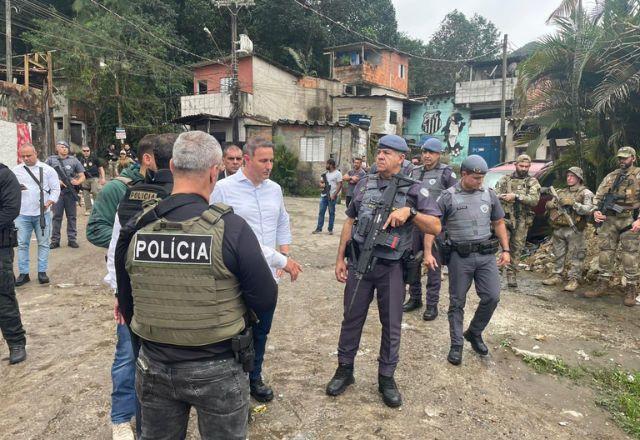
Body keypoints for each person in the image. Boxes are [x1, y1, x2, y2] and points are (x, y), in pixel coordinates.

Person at [115, 130, 277, 439]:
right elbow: (265, 298)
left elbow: (127, 299)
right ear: (215, 172)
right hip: (218, 366)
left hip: (154, 365)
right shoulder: (232, 228)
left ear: (172, 166)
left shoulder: (138, 226)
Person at [325, 134, 441, 408]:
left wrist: (410, 214)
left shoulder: (415, 190)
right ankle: (345, 369)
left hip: (391, 267)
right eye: (379, 152)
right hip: (360, 265)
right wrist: (340, 258)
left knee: (391, 324)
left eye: (388, 153)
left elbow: (435, 226)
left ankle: (386, 377)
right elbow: (350, 222)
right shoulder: (365, 184)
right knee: (351, 317)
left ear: (401, 158)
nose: (380, 157)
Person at [211, 136, 302, 403]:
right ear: (247, 160)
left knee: (261, 330)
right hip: (234, 276)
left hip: (268, 275)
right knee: (234, 332)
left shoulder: (274, 189)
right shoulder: (223, 189)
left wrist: (284, 254)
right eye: (264, 160)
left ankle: (254, 379)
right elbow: (224, 234)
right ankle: (230, 384)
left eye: (271, 160)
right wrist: (281, 260)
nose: (269, 165)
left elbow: (283, 221)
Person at [87, 136, 160, 440]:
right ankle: (120, 418)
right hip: (129, 284)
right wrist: (133, 245)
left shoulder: (169, 190)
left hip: (158, 288)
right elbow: (97, 229)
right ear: (148, 159)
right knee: (127, 355)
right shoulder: (119, 189)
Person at [425, 155, 510, 366]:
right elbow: (432, 225)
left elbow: (498, 222)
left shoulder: (489, 195)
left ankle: (474, 332)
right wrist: (427, 253)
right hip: (459, 257)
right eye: (475, 178)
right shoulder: (447, 197)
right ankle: (456, 344)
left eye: (482, 178)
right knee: (457, 302)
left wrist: (506, 250)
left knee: (492, 296)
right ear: (463, 175)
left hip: (485, 256)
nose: (480, 182)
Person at [404, 138, 457, 320]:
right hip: (414, 224)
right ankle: (415, 298)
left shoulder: (446, 173)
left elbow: (454, 200)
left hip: (434, 227)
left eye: (431, 153)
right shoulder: (414, 171)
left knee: (433, 264)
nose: (427, 156)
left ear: (439, 154)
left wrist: (447, 226)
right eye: (425, 152)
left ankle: (432, 304)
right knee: (412, 263)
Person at [586, 146, 640, 307]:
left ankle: (631, 287)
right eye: (620, 158)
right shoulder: (611, 176)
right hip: (609, 220)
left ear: (633, 158)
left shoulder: (638, 175)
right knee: (605, 252)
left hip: (629, 219)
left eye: (625, 158)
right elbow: (598, 196)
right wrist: (596, 211)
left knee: (629, 255)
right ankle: (602, 283)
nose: (622, 161)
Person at [12, 144, 61, 286]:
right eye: (23, 156)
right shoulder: (16, 171)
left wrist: (50, 201)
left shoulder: (47, 170)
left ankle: (42, 272)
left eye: (29, 155)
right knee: (22, 244)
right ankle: (24, 273)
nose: (26, 159)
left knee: (44, 243)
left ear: (36, 153)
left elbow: (55, 189)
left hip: (42, 213)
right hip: (22, 214)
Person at [542, 167, 594, 292]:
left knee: (576, 255)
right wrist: (551, 205)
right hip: (559, 228)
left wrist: (573, 204)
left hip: (575, 228)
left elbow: (589, 209)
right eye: (568, 176)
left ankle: (574, 278)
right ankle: (557, 275)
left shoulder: (586, 193)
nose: (569, 178)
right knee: (558, 254)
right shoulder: (561, 191)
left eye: (572, 176)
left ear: (579, 178)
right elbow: (550, 204)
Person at [494, 154, 540, 288]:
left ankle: (511, 274)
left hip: (522, 220)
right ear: (516, 165)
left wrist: (516, 196)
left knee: (517, 248)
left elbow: (534, 200)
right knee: (503, 245)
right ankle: (497, 273)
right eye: (521, 166)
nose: (524, 169)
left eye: (527, 166)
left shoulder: (532, 182)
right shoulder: (505, 180)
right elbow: (494, 195)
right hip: (506, 218)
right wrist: (502, 196)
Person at [0, 160, 27, 364]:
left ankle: (16, 343)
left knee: (3, 296)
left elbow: (10, 210)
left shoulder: (5, 175)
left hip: (0, 247)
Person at [46, 140, 85, 249]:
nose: (64, 149)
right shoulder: (50, 160)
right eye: (62, 147)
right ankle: (55, 240)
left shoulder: (74, 160)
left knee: (71, 217)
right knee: (57, 217)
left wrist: (77, 182)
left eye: (66, 147)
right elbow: (43, 174)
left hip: (70, 192)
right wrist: (55, 181)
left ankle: (72, 239)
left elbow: (82, 175)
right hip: (56, 192)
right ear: (57, 148)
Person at [313, 159, 342, 235]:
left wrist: (334, 194)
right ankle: (319, 228)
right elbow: (321, 182)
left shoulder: (338, 174)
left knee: (331, 213)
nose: (326, 166)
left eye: (327, 164)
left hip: (332, 196)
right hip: (324, 195)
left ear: (331, 165)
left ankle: (330, 229)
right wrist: (321, 185)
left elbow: (340, 185)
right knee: (321, 212)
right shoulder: (325, 173)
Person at [79, 145, 106, 215]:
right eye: (84, 151)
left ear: (90, 151)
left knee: (95, 192)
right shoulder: (80, 159)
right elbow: (77, 170)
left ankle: (97, 209)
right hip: (84, 178)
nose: (86, 152)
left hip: (94, 178)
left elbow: (101, 168)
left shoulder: (94, 158)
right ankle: (88, 209)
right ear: (82, 151)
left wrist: (103, 178)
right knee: (85, 194)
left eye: (87, 151)